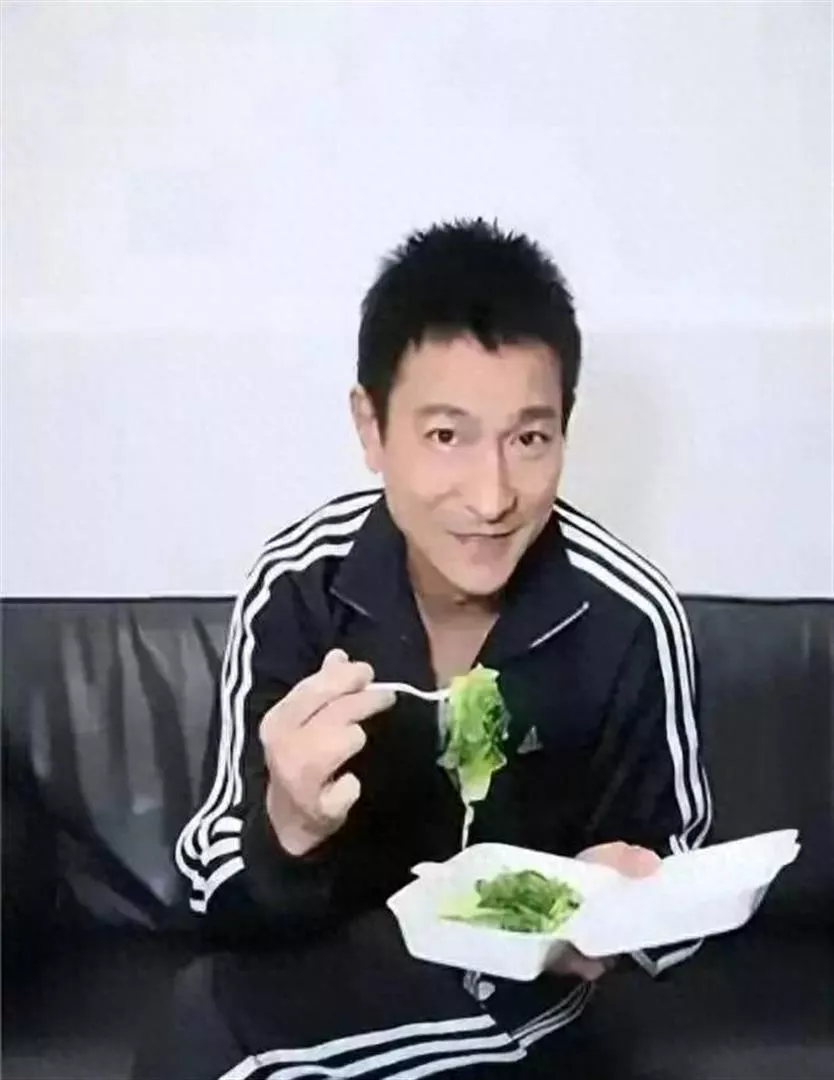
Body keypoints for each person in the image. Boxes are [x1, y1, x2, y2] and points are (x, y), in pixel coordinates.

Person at [135, 219, 711, 1079]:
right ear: (371, 428)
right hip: (330, 973)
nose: (492, 497)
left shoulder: (628, 614)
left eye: (529, 438)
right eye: (447, 436)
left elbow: (682, 877)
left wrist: (617, 907)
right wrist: (287, 826)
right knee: (207, 1016)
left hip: (534, 1002)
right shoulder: (300, 587)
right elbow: (211, 882)